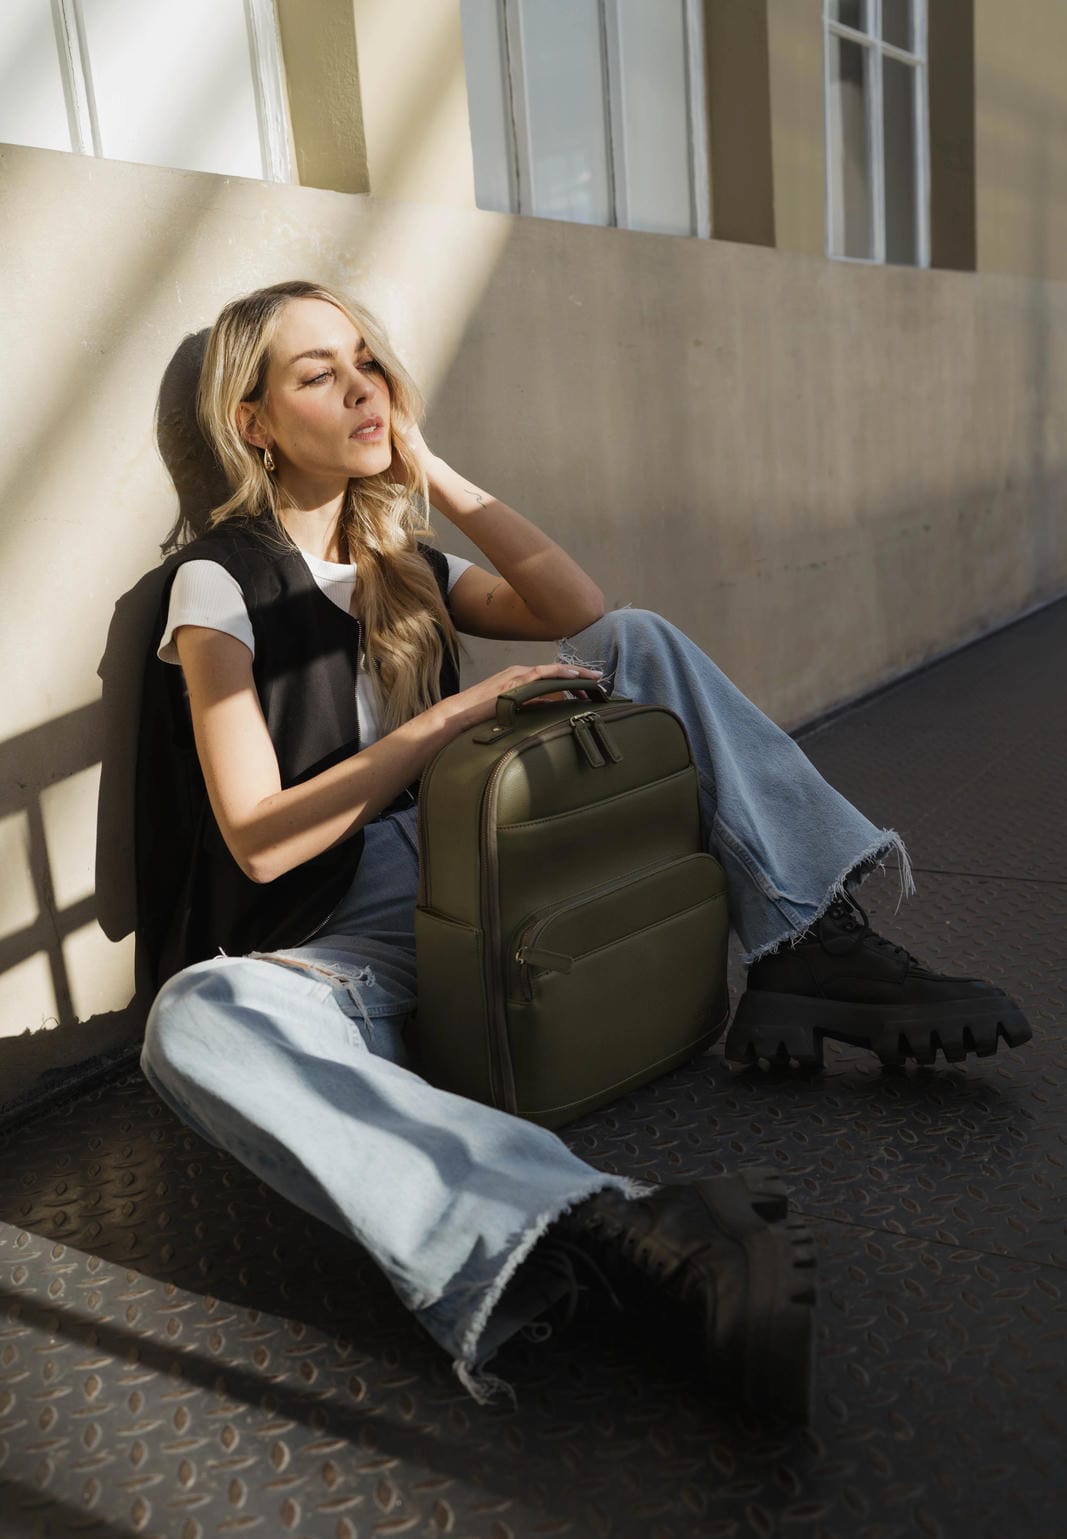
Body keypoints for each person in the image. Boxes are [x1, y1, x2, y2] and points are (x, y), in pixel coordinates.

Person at [136, 281, 1031, 1427]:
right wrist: (449, 724)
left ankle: (805, 937)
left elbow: (576, 602)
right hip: (342, 933)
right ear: (252, 422)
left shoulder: (398, 554)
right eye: (318, 374)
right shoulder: (220, 578)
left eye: (367, 360)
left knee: (631, 637)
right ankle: (609, 1232)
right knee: (195, 1019)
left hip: (480, 877)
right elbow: (258, 841)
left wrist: (435, 476)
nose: (361, 384)